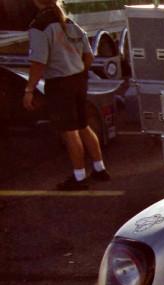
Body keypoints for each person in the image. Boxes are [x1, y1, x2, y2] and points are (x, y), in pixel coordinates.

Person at [23, 0, 109, 190]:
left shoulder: (39, 27)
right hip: (78, 80)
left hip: (59, 83)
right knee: (83, 125)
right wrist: (78, 71)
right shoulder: (71, 23)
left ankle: (79, 177)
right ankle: (99, 168)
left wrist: (29, 89)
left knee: (69, 131)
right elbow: (89, 56)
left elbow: (38, 63)